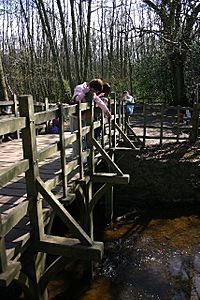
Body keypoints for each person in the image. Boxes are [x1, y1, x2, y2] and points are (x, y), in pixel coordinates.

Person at [70, 79, 112, 157]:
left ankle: (82, 155)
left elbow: (99, 102)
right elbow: (76, 99)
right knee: (76, 136)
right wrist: (84, 92)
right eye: (94, 91)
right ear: (91, 87)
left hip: (84, 116)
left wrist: (107, 111)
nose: (94, 93)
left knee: (84, 134)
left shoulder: (92, 93)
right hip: (75, 116)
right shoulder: (79, 88)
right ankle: (76, 156)